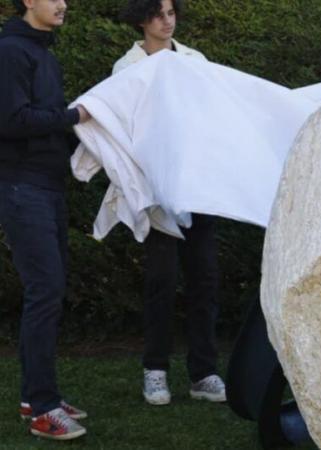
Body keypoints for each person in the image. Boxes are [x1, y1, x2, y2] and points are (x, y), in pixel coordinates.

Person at [114, 0, 226, 406]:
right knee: (160, 282)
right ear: (143, 19)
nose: (167, 20)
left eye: (172, 12)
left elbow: (213, 114)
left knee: (205, 280)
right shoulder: (126, 69)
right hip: (155, 193)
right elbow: (125, 129)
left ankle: (204, 373)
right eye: (159, 14)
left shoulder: (195, 60)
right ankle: (155, 371)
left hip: (198, 187)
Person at [0, 0, 91, 441]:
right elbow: (12, 120)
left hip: (48, 187)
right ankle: (42, 409)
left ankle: (35, 396)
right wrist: (74, 116)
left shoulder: (42, 53)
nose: (63, 3)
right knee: (45, 292)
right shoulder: (11, 51)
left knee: (49, 292)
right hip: (23, 187)